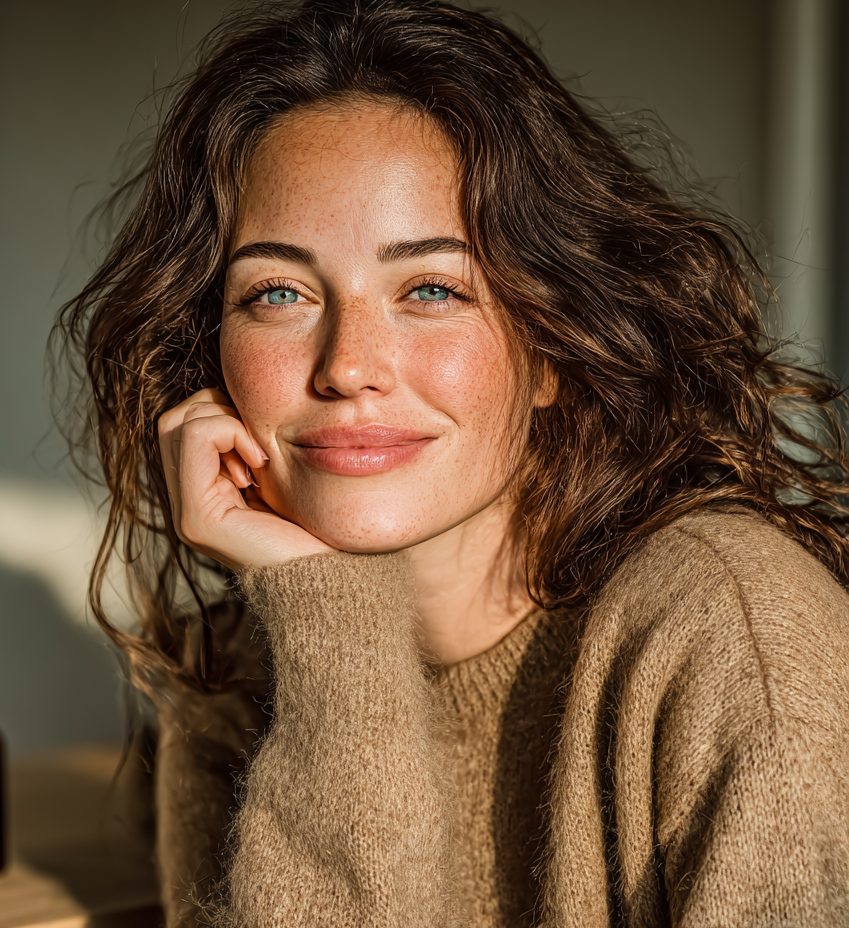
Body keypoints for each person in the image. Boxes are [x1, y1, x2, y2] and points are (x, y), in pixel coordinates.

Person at [55, 1, 849, 924]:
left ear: (555, 346)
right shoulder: (239, 667)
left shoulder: (733, 635)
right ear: (213, 355)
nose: (348, 365)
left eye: (431, 288)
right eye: (278, 292)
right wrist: (332, 643)